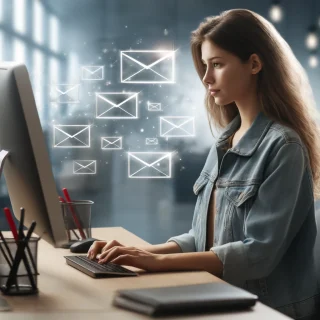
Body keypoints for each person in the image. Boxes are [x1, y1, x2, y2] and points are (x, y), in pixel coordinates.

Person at [88, 9, 320, 319]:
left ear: (254, 63)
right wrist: (137, 254)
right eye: (205, 66)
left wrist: (154, 263)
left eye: (217, 65)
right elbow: (204, 239)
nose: (206, 78)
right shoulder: (226, 140)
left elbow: (258, 254)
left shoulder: (284, 146)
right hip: (221, 295)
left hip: (267, 309)